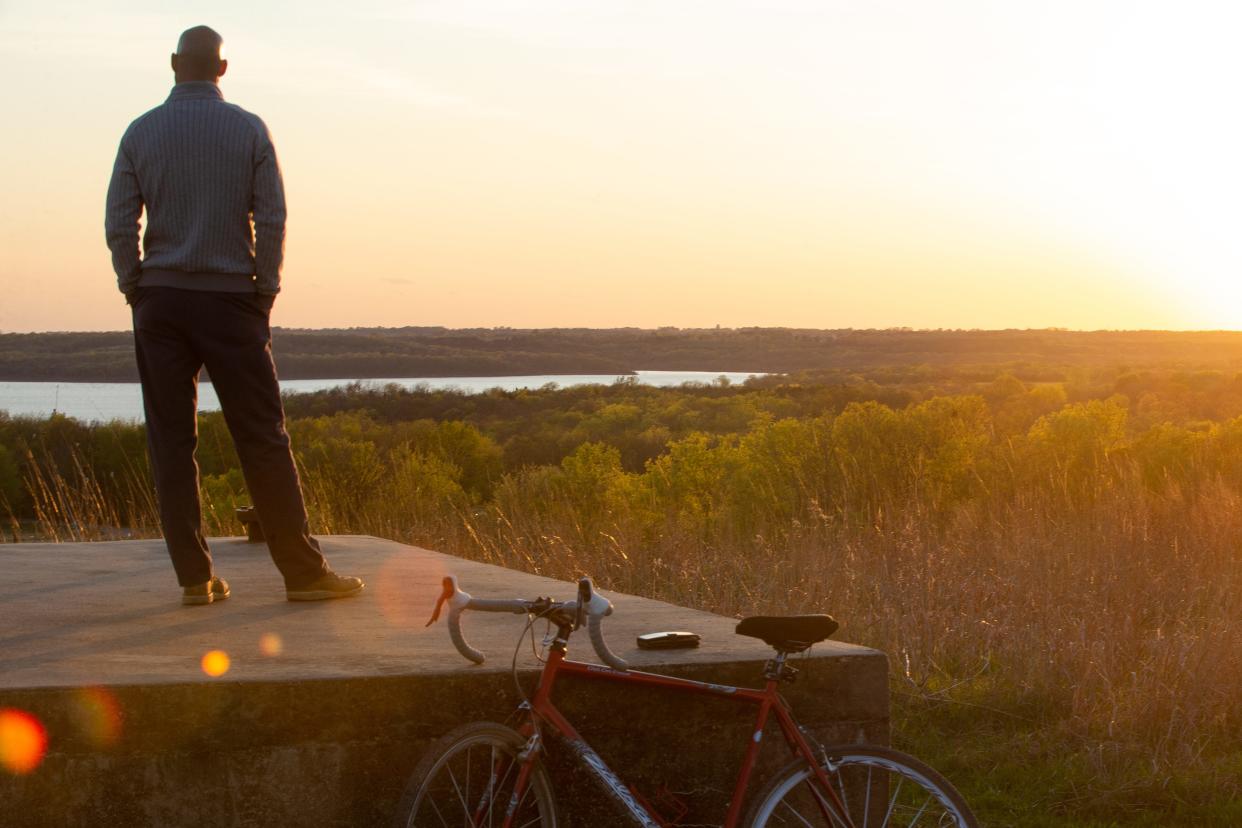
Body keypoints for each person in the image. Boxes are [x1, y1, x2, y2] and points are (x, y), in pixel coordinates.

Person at [105, 25, 363, 606]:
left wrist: (136, 289)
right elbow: (271, 219)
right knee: (263, 438)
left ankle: (195, 580)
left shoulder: (140, 132)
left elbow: (120, 224)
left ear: (175, 65)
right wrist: (263, 292)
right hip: (232, 303)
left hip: (161, 304)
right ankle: (302, 574)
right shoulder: (248, 129)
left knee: (171, 443)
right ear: (222, 70)